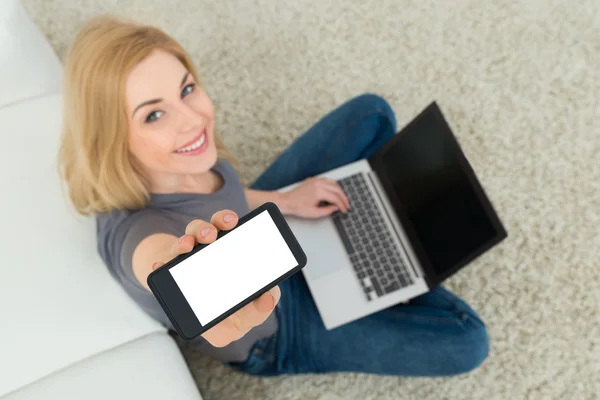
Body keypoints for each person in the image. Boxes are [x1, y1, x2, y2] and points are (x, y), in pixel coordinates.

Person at [58, 15, 489, 377]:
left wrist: (286, 200)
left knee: (371, 114)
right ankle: (389, 264)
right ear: (114, 137)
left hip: (262, 240)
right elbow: (158, 261)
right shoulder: (138, 230)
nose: (193, 120)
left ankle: (375, 253)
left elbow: (224, 197)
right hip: (277, 329)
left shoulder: (187, 159)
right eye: (154, 114)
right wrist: (195, 286)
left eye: (187, 89)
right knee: (468, 341)